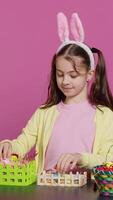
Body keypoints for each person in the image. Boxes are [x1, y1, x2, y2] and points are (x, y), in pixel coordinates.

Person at [0, 12, 113, 175]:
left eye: (73, 75)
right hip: (46, 189)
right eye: (60, 74)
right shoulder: (44, 113)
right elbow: (23, 142)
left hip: (87, 191)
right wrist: (9, 145)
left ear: (89, 74)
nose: (65, 81)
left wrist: (81, 158)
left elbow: (108, 159)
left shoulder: (105, 116)